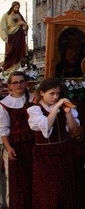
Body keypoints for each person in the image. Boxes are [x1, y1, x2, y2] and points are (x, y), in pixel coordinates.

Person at [27, 77, 81, 208]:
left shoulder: (64, 109)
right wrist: (56, 107)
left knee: (65, 192)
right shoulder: (34, 110)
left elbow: (74, 131)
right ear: (42, 93)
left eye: (58, 93)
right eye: (52, 93)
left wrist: (68, 114)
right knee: (49, 193)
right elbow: (46, 126)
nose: (56, 97)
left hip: (63, 153)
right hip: (44, 156)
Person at [0, 71, 34, 208]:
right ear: (9, 85)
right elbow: (3, 129)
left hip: (33, 143)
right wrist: (8, 148)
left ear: (26, 83)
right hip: (16, 145)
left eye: (21, 81)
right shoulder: (4, 104)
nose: (18, 85)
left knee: (34, 176)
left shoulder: (33, 98)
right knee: (16, 180)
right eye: (15, 82)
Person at [0, 1, 28, 74]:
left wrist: (23, 24)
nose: (16, 9)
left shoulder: (19, 16)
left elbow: (25, 28)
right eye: (15, 7)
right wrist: (6, 38)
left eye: (18, 8)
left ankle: (17, 69)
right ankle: (8, 71)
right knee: (10, 53)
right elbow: (2, 27)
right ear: (12, 7)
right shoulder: (6, 16)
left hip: (19, 36)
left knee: (18, 53)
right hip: (11, 38)